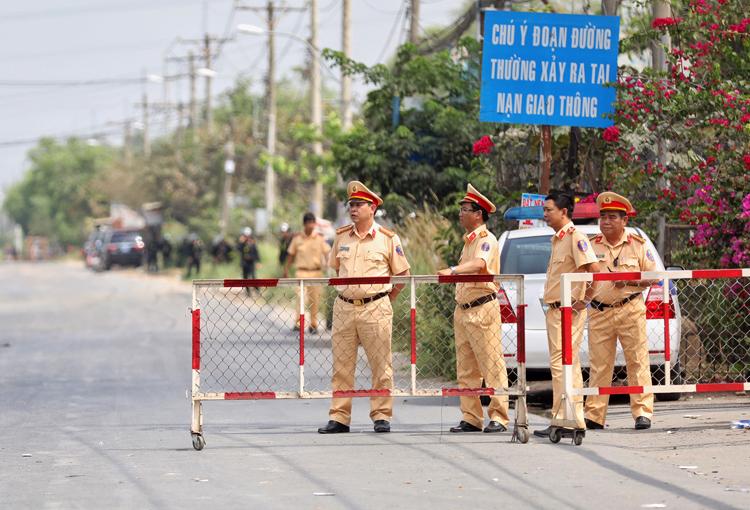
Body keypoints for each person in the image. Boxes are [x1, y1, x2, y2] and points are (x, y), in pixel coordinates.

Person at [317, 181, 410, 434]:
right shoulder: (341, 236)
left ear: (373, 208)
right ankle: (339, 417)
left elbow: (402, 273)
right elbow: (336, 267)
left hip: (375, 307)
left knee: (381, 364)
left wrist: (385, 298)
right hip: (345, 307)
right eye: (351, 204)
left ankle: (381, 415)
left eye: (359, 204)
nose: (353, 209)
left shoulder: (387, 239)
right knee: (342, 366)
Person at [437, 184, 509, 434]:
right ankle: (471, 417)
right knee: (466, 368)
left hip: (482, 308)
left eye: (465, 210)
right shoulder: (468, 242)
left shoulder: (486, 240)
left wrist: (453, 270)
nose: (460, 214)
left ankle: (499, 416)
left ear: (478, 214)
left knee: (492, 365)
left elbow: (479, 264)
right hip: (464, 309)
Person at [584, 192, 657, 431]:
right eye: (603, 216)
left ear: (624, 221)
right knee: (599, 365)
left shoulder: (638, 245)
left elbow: (652, 277)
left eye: (612, 217)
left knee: (637, 362)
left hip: (630, 309)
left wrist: (627, 282)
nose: (606, 221)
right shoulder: (590, 245)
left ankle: (642, 413)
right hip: (599, 312)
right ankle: (594, 414)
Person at [533, 190, 601, 438]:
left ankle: (568, 419)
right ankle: (564, 417)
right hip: (555, 310)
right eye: (544, 210)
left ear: (564, 212)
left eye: (549, 210)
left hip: (567, 310)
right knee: (563, 365)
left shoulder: (575, 237)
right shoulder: (558, 238)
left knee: (564, 364)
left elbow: (593, 269)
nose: (545, 215)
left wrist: (585, 299)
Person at [284, 212, 331, 333]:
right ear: (304, 224)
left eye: (313, 223)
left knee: (315, 300)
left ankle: (314, 325)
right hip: (301, 273)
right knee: (301, 298)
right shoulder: (297, 239)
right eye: (309, 223)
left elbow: (327, 253)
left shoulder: (319, 239)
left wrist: (329, 266)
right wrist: (286, 270)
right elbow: (290, 255)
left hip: (316, 273)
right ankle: (298, 323)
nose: (311, 225)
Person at [237, 227, 261, 294]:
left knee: (253, 276)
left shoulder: (252, 243)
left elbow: (256, 252)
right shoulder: (242, 243)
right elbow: (238, 249)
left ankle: (257, 289)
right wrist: (240, 242)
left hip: (251, 262)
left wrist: (258, 261)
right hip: (244, 263)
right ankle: (248, 292)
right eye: (245, 235)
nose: (247, 237)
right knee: (245, 277)